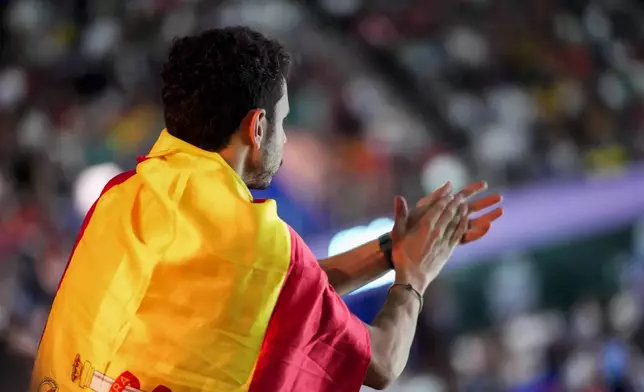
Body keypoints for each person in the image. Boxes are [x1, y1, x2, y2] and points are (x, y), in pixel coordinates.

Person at [31, 26, 503, 392]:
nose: (285, 138)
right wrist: (414, 277)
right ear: (256, 128)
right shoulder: (255, 238)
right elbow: (380, 362)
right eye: (283, 122)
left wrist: (391, 249)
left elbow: (278, 290)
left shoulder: (124, 193)